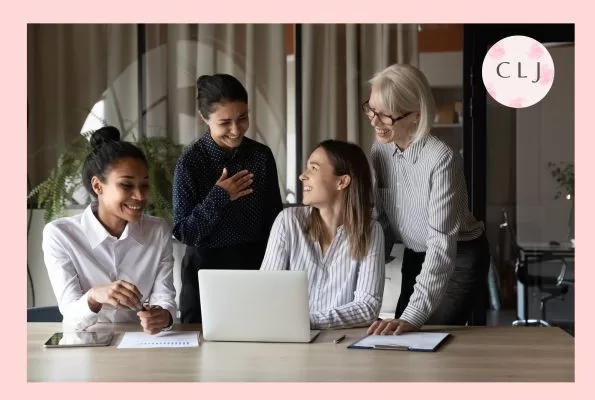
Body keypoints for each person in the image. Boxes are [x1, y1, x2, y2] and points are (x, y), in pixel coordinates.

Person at [364, 64, 491, 335]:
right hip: (416, 253)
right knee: (396, 335)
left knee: (426, 332)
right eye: (371, 109)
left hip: (458, 256)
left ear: (416, 116)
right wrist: (368, 271)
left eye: (386, 115)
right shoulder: (380, 150)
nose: (374, 121)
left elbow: (441, 244)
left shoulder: (441, 159)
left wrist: (414, 314)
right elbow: (383, 219)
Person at [42, 126, 177, 334]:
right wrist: (95, 296)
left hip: (141, 344)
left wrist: (163, 316)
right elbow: (70, 315)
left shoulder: (157, 230)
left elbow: (164, 298)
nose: (140, 196)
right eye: (126, 186)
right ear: (98, 186)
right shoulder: (60, 235)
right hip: (87, 346)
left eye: (144, 186)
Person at [173, 73, 283, 323]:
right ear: (204, 118)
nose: (236, 130)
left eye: (243, 118)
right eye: (225, 122)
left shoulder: (260, 155)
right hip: (204, 272)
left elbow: (275, 221)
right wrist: (220, 196)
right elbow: (183, 232)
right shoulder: (190, 163)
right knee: (201, 356)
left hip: (255, 268)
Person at [260, 139, 385, 329]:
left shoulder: (370, 231)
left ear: (342, 181)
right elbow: (265, 292)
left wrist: (306, 322)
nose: (302, 176)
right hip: (290, 343)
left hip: (344, 348)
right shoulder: (288, 222)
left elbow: (367, 307)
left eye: (314, 168)